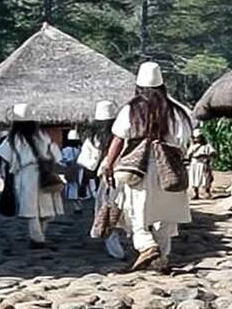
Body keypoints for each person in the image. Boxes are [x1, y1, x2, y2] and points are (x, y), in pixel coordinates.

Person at [102, 62, 193, 272]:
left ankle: (147, 245)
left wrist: (109, 164)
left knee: (136, 212)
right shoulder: (176, 110)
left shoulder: (131, 109)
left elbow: (118, 139)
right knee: (167, 214)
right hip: (169, 165)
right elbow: (183, 139)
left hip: (139, 168)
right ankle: (161, 259)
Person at [0, 103, 65, 249]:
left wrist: (6, 179)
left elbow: (4, 159)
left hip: (26, 176)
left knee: (34, 210)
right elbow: (57, 156)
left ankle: (37, 238)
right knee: (45, 209)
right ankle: (38, 238)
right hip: (41, 173)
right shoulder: (42, 136)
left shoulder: (12, 139)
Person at [81, 100, 124, 260]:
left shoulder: (94, 139)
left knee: (107, 211)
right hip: (127, 176)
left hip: (107, 178)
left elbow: (88, 165)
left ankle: (115, 250)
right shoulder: (124, 135)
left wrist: (84, 184)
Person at [187, 128, 216, 200]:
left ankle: (207, 193)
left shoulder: (206, 145)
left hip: (203, 163)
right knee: (194, 178)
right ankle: (196, 194)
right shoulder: (193, 146)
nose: (197, 139)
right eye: (196, 138)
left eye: (198, 137)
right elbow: (188, 154)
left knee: (205, 179)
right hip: (195, 163)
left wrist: (207, 157)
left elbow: (213, 153)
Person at [61, 129, 84, 213]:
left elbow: (62, 161)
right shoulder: (80, 150)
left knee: (72, 190)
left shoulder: (65, 150)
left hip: (71, 171)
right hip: (79, 171)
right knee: (76, 188)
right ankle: (77, 206)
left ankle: (77, 207)